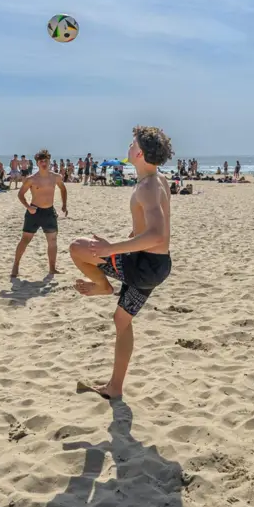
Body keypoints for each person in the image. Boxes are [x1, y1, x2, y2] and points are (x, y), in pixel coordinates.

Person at [70, 126, 175, 401]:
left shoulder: (149, 186)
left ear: (139, 153)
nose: (128, 146)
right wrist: (125, 241)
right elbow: (151, 228)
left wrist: (110, 248)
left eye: (132, 143)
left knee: (78, 248)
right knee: (121, 320)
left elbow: (157, 234)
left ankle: (103, 287)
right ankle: (115, 387)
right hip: (156, 266)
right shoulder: (158, 179)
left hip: (144, 265)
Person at [12, 149, 68, 278]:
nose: (44, 163)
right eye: (41, 161)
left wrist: (64, 205)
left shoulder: (56, 177)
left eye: (46, 161)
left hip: (49, 212)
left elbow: (63, 189)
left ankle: (52, 268)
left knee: (52, 240)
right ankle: (15, 265)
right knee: (25, 239)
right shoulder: (31, 179)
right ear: (37, 163)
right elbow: (20, 194)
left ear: (49, 162)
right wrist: (28, 207)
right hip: (34, 211)